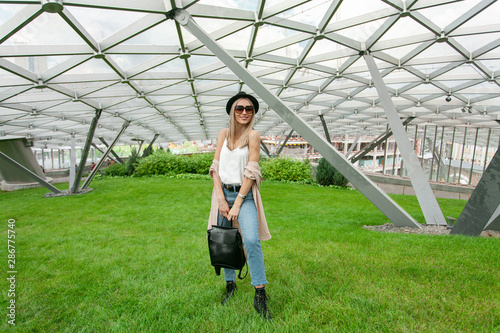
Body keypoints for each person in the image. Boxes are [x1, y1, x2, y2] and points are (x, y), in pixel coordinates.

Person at [208, 91, 272, 319]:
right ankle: (230, 285)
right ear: (232, 111)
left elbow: (252, 171)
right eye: (239, 108)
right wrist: (221, 199)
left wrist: (237, 203)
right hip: (223, 193)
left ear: (253, 113)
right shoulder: (223, 134)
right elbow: (215, 167)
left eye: (249, 109)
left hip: (243, 195)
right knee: (225, 240)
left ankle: (260, 293)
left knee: (251, 241)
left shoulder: (253, 136)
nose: (244, 112)